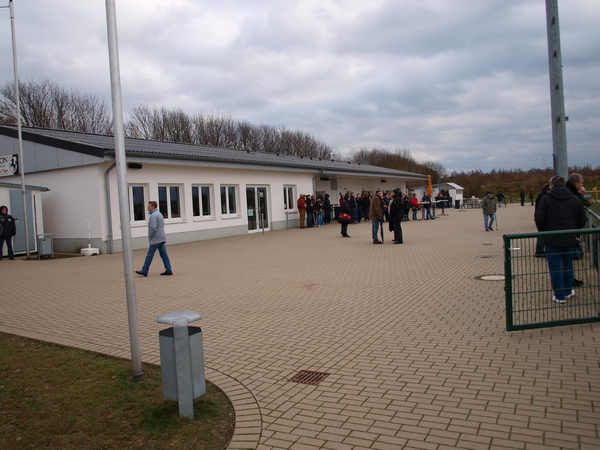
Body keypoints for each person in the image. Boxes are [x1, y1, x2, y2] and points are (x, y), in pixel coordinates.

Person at [534, 176, 586, 303]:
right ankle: (568, 290)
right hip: (569, 238)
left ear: (552, 185)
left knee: (555, 267)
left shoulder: (545, 199)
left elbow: (539, 219)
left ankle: (559, 295)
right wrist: (574, 231)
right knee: (568, 265)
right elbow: (582, 220)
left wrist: (545, 233)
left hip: (552, 239)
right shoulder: (575, 199)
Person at [136, 201, 173, 276]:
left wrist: (150, 236)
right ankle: (168, 269)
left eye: (149, 206)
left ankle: (144, 270)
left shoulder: (153, 215)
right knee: (164, 255)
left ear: (153, 207)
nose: (147, 207)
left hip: (156, 239)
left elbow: (153, 228)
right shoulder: (159, 214)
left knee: (149, 255)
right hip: (161, 237)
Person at [534, 184, 550, 258]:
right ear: (547, 190)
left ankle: (540, 250)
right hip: (542, 218)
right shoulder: (543, 197)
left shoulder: (542, 196)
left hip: (539, 217)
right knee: (542, 235)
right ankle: (539, 251)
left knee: (542, 235)